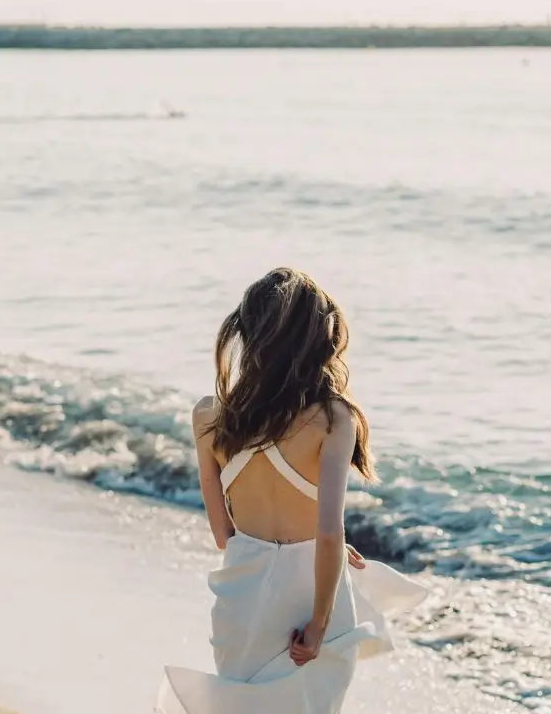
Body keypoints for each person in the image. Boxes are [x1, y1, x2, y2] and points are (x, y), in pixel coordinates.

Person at [156, 268, 426, 714]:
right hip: (311, 593)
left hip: (242, 593)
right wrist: (318, 624)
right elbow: (326, 533)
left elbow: (225, 534)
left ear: (245, 333)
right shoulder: (334, 419)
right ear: (318, 338)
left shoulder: (208, 417)